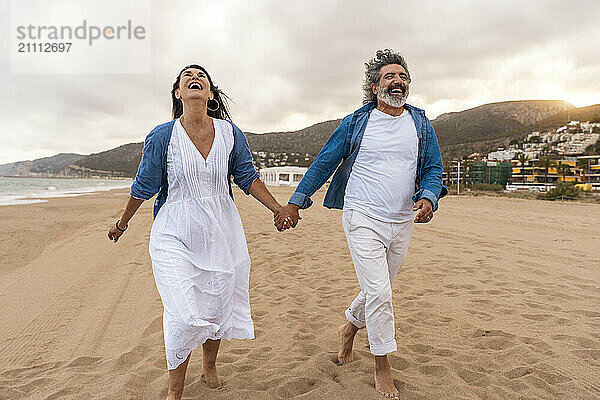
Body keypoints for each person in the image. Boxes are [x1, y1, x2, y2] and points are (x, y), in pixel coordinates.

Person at [274, 49, 447, 399]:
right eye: (389, 77)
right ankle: (383, 368)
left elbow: (432, 169)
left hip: (402, 220)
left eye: (402, 77)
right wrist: (295, 202)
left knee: (377, 289)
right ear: (374, 87)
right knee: (381, 293)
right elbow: (325, 162)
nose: (397, 82)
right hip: (362, 216)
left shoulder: (420, 124)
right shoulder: (357, 122)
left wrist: (429, 197)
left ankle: (349, 329)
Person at [108, 64, 284, 400]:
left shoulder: (230, 133)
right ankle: (176, 388)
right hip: (174, 231)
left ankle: (209, 365)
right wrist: (122, 223)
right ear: (178, 93)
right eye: (187, 76)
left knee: (217, 304)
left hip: (221, 232)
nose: (195, 78)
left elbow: (247, 177)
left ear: (211, 93)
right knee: (182, 310)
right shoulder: (163, 135)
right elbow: (144, 185)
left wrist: (278, 209)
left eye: (201, 76)